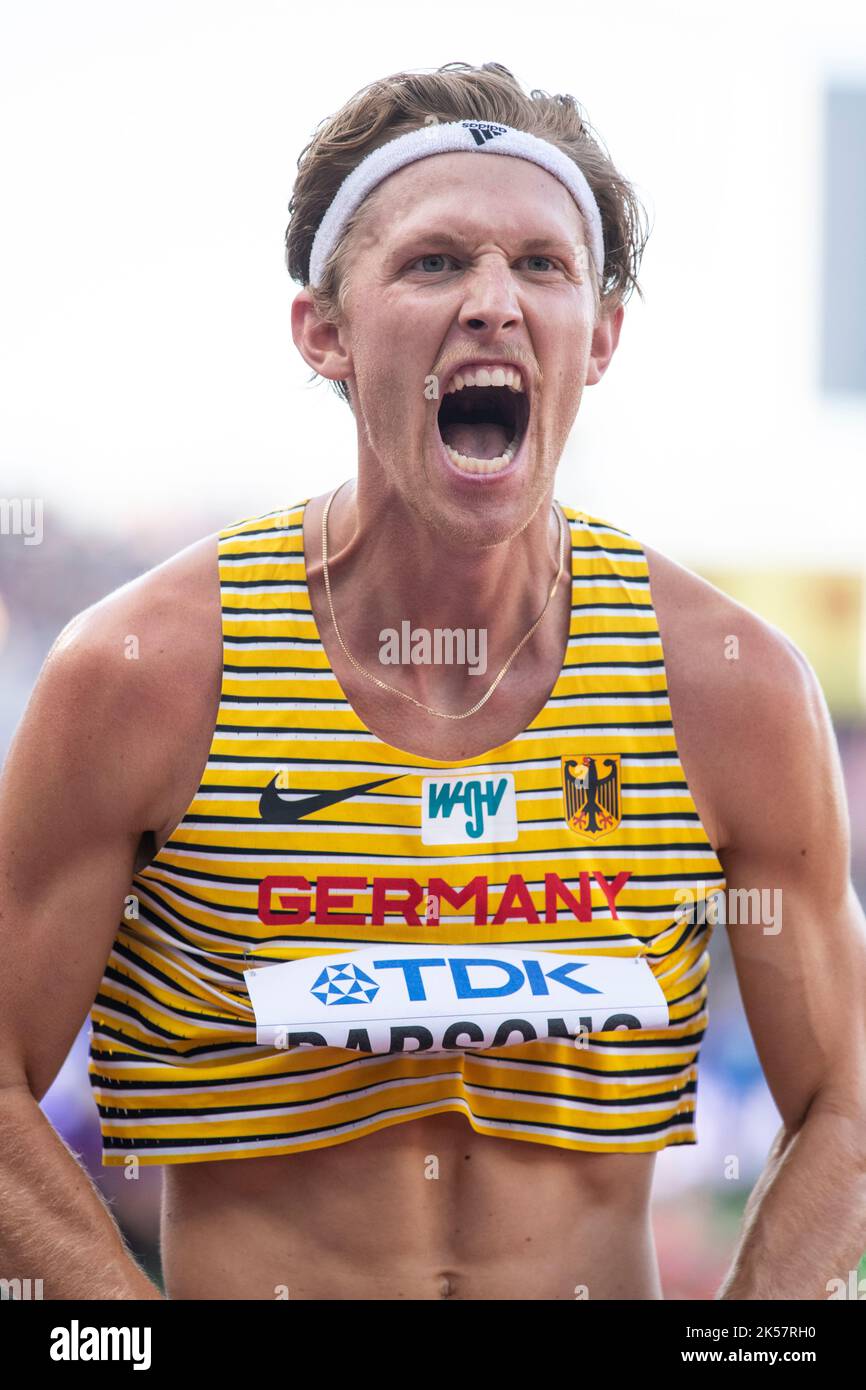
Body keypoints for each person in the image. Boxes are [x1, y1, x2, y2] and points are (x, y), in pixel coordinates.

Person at [1, 61, 864, 1302]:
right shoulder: (143, 675)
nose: (493, 305)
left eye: (542, 266)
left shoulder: (727, 688)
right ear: (324, 331)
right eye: (433, 262)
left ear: (601, 337)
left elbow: (844, 1101)